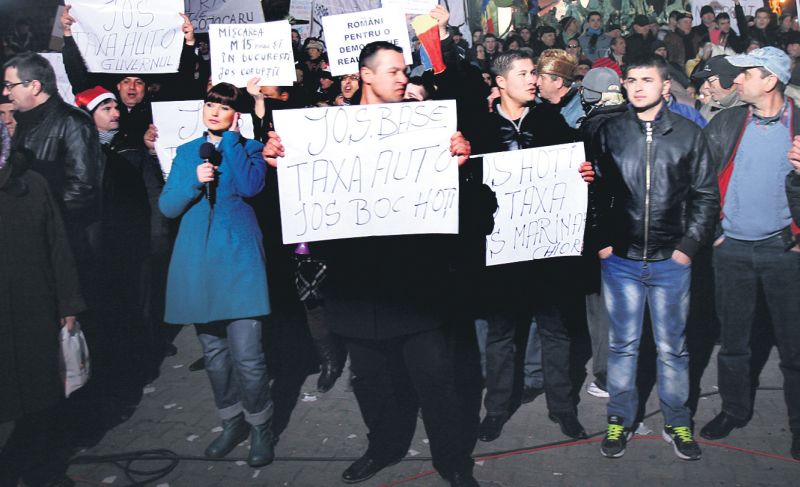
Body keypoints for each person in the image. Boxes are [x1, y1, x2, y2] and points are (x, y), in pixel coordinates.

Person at [263, 41, 478, 487]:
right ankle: (382, 446)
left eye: (405, 71)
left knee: (435, 381)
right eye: (395, 71)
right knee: (373, 382)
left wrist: (459, 160)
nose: (403, 78)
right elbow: (296, 196)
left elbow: (461, 202)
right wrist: (279, 162)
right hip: (356, 282)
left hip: (416, 282)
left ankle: (452, 459)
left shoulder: (426, 125)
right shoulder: (324, 127)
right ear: (366, 75)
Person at [593, 54, 719, 461]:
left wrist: (688, 248)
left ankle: (677, 420)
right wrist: (602, 241)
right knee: (623, 346)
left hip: (670, 261)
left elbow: (705, 196)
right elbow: (593, 191)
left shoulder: (688, 133)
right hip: (621, 260)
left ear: (666, 86)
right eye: (631, 80)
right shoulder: (609, 131)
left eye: (647, 80)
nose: (638, 87)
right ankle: (619, 418)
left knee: (672, 349)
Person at [474, 49, 594, 444]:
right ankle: (495, 410)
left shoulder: (550, 119)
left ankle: (563, 409)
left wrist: (587, 172)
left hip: (547, 253)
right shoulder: (479, 128)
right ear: (501, 82)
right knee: (501, 336)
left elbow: (575, 166)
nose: (533, 79)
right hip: (500, 252)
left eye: (534, 73)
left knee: (556, 332)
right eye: (524, 73)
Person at [159, 83, 273, 468]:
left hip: (239, 261)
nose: (214, 112)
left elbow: (251, 186)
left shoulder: (249, 150)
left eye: (223, 108)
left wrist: (235, 144)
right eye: (210, 104)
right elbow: (169, 207)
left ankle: (260, 425)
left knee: (248, 356)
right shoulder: (187, 153)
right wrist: (194, 178)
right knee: (214, 355)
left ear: (234, 115)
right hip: (198, 263)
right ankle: (231, 421)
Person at [699, 47, 800, 461]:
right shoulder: (725, 122)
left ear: (770, 81)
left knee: (794, 349)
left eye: (746, 74)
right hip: (732, 250)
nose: (736, 81)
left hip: (785, 251)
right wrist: (714, 231)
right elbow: (701, 183)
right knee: (735, 342)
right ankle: (734, 409)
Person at [0, 120, 86, 487]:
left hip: (34, 305)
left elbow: (57, 246)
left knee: (40, 397)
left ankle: (39, 471)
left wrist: (69, 304)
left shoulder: (32, 184)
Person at [579, 67, 627, 399]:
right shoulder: (634, 120)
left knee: (601, 307)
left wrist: (596, 236)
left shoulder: (592, 127)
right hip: (635, 228)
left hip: (605, 230)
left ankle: (607, 374)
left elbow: (591, 187)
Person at [536, 49, 585, 128]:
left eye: (542, 78)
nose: (537, 83)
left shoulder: (581, 109)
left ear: (558, 82)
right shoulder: (540, 108)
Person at [692, 56, 744, 121]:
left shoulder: (747, 111)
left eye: (710, 80)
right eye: (705, 80)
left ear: (728, 80)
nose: (706, 86)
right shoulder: (708, 107)